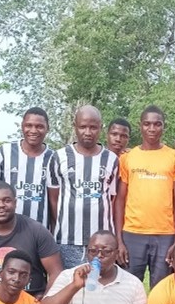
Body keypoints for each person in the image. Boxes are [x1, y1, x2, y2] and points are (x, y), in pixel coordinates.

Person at [115, 105, 175, 288]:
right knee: (128, 288)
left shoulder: (174, 156)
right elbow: (120, 200)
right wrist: (119, 240)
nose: (152, 129)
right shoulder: (128, 157)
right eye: (147, 124)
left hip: (165, 235)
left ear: (164, 127)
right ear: (140, 126)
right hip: (132, 233)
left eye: (157, 124)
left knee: (161, 288)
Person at [47, 105, 120, 269]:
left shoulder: (112, 159)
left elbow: (113, 200)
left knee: (99, 288)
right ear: (75, 126)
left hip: (103, 243)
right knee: (70, 289)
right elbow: (54, 198)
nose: (88, 132)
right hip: (67, 240)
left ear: (101, 128)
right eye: (83, 127)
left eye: (93, 127)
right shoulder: (59, 157)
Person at [0, 107, 57, 229]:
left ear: (48, 129)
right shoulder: (4, 152)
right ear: (22, 126)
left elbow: (54, 201)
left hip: (39, 232)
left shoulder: (53, 157)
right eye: (29, 125)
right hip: (5, 230)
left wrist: (53, 235)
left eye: (39, 126)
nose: (33, 130)